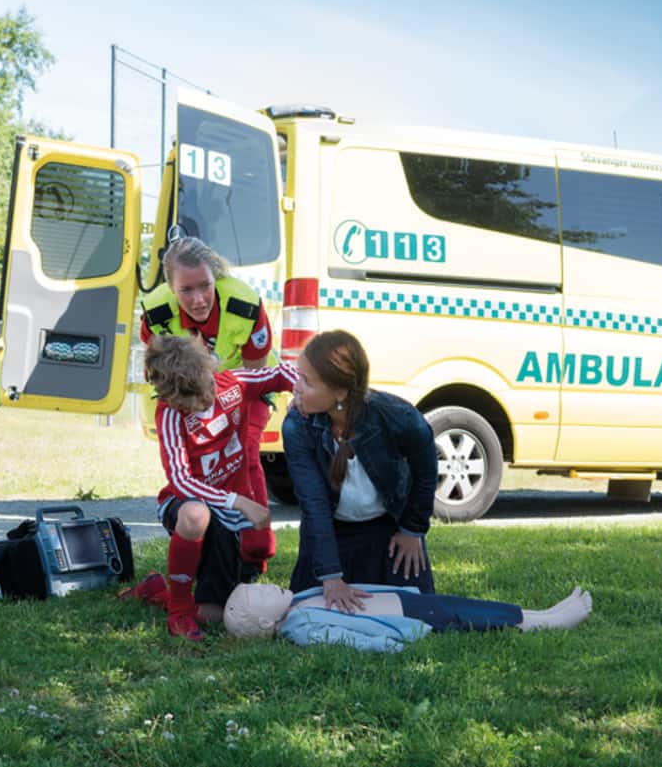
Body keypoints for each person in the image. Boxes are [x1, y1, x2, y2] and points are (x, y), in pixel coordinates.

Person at [136, 335, 297, 641]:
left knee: (216, 613)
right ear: (173, 398)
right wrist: (239, 501)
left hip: (228, 516)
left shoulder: (233, 383)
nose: (209, 399)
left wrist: (299, 393)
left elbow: (282, 373)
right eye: (196, 399)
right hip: (188, 506)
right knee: (196, 513)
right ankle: (178, 610)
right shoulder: (170, 414)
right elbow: (181, 481)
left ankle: (156, 591)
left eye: (209, 386)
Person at [139, 237, 277, 574]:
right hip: (190, 397)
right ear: (171, 288)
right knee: (196, 470)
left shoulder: (244, 305)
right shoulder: (156, 314)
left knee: (244, 455)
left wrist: (223, 411)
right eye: (186, 290)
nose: (198, 299)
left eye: (205, 285)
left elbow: (256, 376)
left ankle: (256, 549)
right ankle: (203, 537)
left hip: (244, 390)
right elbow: (160, 374)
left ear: (216, 277)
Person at [283, 330, 439, 611]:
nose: (296, 388)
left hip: (387, 529)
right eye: (298, 376)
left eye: (307, 381)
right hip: (331, 531)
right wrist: (330, 575)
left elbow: (426, 470)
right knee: (305, 612)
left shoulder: (398, 416)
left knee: (418, 611)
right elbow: (314, 503)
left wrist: (412, 530)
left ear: (340, 392)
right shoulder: (297, 425)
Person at [224, 582, 593, 650]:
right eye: (261, 594)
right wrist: (386, 645)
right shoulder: (299, 627)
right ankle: (549, 623)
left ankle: (543, 613)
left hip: (406, 602)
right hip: (411, 618)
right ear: (264, 623)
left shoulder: (297, 603)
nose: (269, 586)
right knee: (472, 617)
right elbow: (345, 639)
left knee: (472, 605)